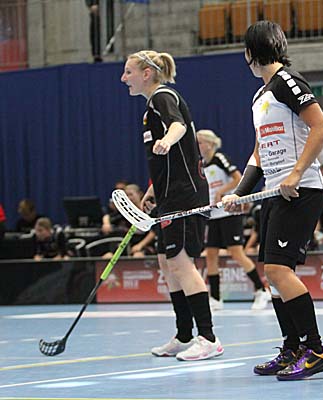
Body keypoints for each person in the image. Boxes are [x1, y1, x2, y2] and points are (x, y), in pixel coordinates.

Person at [222, 20, 323, 381]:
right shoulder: (260, 97)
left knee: (277, 271)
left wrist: (296, 173)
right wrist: (239, 193)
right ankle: (292, 348)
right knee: (273, 274)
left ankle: (316, 349)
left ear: (250, 53)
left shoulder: (288, 81)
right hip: (273, 191)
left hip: (301, 190)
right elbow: (259, 152)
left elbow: (321, 127)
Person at [120, 49, 222, 361]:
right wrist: (154, 189)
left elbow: (178, 126)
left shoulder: (163, 97)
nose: (123, 78)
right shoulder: (150, 107)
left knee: (180, 262)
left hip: (185, 195)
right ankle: (183, 334)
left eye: (128, 72)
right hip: (168, 194)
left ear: (146, 73)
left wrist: (167, 140)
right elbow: (169, 161)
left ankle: (208, 338)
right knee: (166, 262)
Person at [196, 129, 270, 310]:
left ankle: (261, 290)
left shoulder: (220, 158)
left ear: (210, 144)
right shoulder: (201, 165)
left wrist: (222, 192)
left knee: (236, 252)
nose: (198, 146)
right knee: (211, 254)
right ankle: (215, 298)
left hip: (229, 212)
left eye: (201, 142)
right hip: (213, 214)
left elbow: (238, 178)